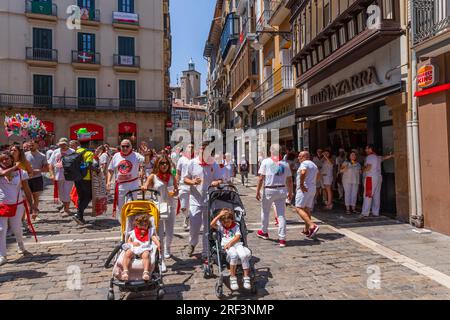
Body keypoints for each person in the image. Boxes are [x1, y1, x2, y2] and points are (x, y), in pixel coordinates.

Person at [183, 141, 223, 259]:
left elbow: (220, 179)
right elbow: (185, 179)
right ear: (198, 150)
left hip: (209, 200)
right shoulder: (192, 163)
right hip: (195, 200)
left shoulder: (214, 164)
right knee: (194, 226)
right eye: (202, 149)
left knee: (207, 227)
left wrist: (217, 182)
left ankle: (206, 251)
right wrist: (193, 182)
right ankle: (192, 243)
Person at [0, 151, 38, 266]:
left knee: (17, 229)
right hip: (2, 205)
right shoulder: (1, 171)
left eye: (6, 159)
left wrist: (32, 205)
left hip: (17, 205)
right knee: (1, 229)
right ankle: (2, 255)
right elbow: (3, 173)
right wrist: (15, 166)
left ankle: (21, 246)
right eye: (2, 160)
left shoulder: (22, 173)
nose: (4, 161)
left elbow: (26, 189)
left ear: (11, 159)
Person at [142, 154, 178, 272]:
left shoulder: (171, 176)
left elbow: (176, 190)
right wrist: (145, 186)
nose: (164, 165)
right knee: (159, 235)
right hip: (158, 207)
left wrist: (176, 192)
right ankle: (161, 258)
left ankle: (168, 248)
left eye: (166, 163)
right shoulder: (153, 176)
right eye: (161, 163)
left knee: (170, 232)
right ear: (157, 164)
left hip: (170, 206)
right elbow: (146, 185)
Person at [255, 144, 293, 248]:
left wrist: (257, 191)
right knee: (281, 215)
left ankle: (264, 231)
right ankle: (282, 239)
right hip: (281, 189)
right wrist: (291, 192)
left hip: (269, 189)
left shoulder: (266, 162)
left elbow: (261, 178)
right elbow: (290, 180)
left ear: (270, 151)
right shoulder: (285, 164)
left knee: (265, 211)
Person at [210, 208, 252, 291]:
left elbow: (238, 236)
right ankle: (233, 278)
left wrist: (230, 243)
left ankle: (246, 277)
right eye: (224, 222)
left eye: (228, 222)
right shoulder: (221, 227)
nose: (226, 224)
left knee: (244, 255)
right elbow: (212, 224)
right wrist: (220, 215)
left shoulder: (236, 225)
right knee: (234, 255)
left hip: (236, 244)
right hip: (227, 247)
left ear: (232, 220)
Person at [107, 139, 145, 222]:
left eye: (127, 146)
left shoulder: (136, 155)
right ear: (120, 147)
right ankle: (123, 225)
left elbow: (144, 161)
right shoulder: (116, 156)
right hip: (120, 185)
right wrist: (108, 181)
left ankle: (131, 223)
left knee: (131, 205)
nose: (125, 148)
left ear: (131, 147)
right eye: (123, 146)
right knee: (121, 207)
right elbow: (111, 170)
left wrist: (145, 155)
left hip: (133, 185)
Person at [121, 215, 160, 282]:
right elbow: (129, 241)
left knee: (146, 255)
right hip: (134, 248)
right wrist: (132, 243)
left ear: (148, 225)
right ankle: (125, 271)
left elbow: (154, 238)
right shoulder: (133, 232)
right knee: (127, 254)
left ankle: (145, 272)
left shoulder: (149, 232)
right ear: (137, 224)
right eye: (141, 225)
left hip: (144, 248)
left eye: (145, 225)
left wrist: (158, 244)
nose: (143, 226)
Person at [361, 145, 394, 219]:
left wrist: (361, 170)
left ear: (370, 149)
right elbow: (384, 157)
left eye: (366, 148)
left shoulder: (369, 157)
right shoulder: (377, 157)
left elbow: (368, 167)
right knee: (376, 195)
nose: (365, 150)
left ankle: (365, 213)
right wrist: (391, 155)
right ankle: (375, 212)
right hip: (378, 178)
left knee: (368, 195)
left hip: (370, 177)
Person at [294, 151, 320, 238]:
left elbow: (303, 172)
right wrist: (312, 183)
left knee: (298, 208)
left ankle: (312, 225)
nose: (298, 158)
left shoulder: (304, 163)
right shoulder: (314, 164)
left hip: (304, 188)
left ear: (305, 156)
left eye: (300, 156)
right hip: (312, 188)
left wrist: (301, 184)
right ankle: (306, 229)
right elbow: (318, 175)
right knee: (307, 209)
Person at [72, 132, 95, 225]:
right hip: (86, 178)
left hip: (77, 178)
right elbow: (88, 165)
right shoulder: (89, 153)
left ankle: (80, 217)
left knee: (81, 197)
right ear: (89, 143)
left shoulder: (76, 152)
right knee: (89, 196)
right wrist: (96, 169)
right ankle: (78, 214)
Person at [49, 138, 75, 217]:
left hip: (69, 175)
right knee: (61, 193)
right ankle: (64, 206)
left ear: (67, 144)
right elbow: (51, 164)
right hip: (58, 175)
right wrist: (51, 174)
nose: (62, 146)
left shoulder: (72, 152)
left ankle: (66, 209)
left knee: (67, 192)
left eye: (63, 144)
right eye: (60, 145)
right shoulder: (56, 152)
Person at [25, 140, 49, 217]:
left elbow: (46, 169)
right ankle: (29, 210)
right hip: (26, 178)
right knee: (27, 196)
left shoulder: (42, 156)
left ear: (37, 145)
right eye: (30, 145)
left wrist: (37, 170)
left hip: (37, 178)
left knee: (36, 196)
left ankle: (35, 211)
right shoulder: (24, 155)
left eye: (32, 145)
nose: (30, 146)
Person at [176, 144, 194, 231]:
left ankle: (191, 220)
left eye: (192, 147)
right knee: (183, 207)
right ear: (186, 149)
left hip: (194, 186)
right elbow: (178, 173)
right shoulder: (181, 159)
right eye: (189, 147)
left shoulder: (196, 159)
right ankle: (187, 216)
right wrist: (176, 185)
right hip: (183, 185)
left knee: (193, 206)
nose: (191, 148)